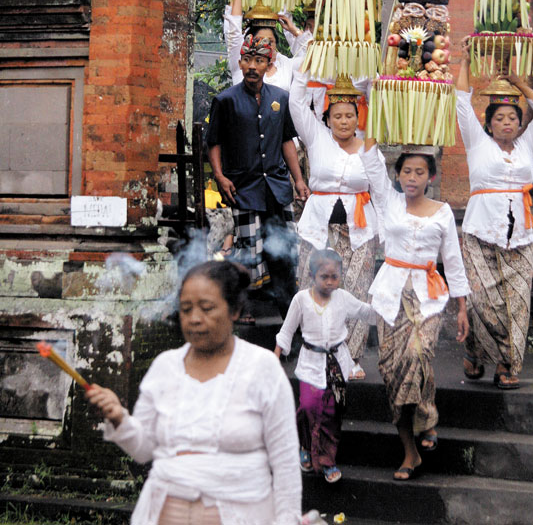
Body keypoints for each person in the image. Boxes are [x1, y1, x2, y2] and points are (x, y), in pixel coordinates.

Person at [85, 259, 302, 525]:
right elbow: (143, 450)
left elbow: (286, 462)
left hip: (243, 514)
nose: (195, 319)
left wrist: (287, 520)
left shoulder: (262, 368)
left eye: (207, 308)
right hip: (166, 511)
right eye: (186, 309)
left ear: (234, 310)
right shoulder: (165, 367)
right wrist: (119, 418)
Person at [361, 139, 470, 481]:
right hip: (390, 294)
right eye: (406, 171)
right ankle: (410, 452)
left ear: (431, 177)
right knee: (392, 373)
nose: (412, 177)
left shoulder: (442, 212)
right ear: (397, 175)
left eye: (419, 172)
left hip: (428, 296)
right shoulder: (388, 200)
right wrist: (376, 109)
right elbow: (369, 159)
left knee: (417, 354)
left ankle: (427, 416)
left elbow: (452, 260)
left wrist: (462, 307)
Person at [456, 35, 533, 389]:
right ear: (490, 123)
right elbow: (461, 103)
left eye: (513, 117)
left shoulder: (527, 145)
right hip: (480, 233)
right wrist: (466, 62)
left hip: (521, 236)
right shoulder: (477, 144)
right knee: (485, 302)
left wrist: (518, 83)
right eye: (501, 118)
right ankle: (475, 349)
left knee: (518, 306)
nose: (508, 123)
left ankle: (507, 365)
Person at [206, 36, 309, 318]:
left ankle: (289, 314)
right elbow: (212, 142)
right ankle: (244, 308)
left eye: (259, 61)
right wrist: (220, 175)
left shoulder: (280, 98)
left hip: (276, 186)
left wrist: (298, 180)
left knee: (285, 250)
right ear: (240, 62)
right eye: (247, 60)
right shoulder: (225, 100)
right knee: (248, 251)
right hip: (244, 188)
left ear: (268, 63)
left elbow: (288, 140)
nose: (252, 66)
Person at [289, 70, 381, 379]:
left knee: (355, 291)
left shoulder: (370, 145)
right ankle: (317, 354)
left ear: (358, 118)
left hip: (359, 230)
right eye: (337, 116)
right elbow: (296, 101)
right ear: (327, 119)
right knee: (312, 290)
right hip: (319, 228)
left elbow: (380, 188)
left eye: (349, 116)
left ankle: (350, 357)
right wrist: (305, 56)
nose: (343, 121)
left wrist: (365, 68)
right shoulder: (316, 137)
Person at [274, 248, 376, 484]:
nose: (330, 282)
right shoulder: (301, 300)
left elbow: (366, 312)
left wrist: (384, 304)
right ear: (312, 275)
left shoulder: (342, 297)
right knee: (308, 407)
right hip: (311, 364)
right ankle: (306, 446)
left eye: (334, 277)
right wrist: (275, 357)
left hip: (337, 365)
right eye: (324, 277)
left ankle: (327, 462)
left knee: (331, 415)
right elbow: (286, 331)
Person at [224, 0, 310, 90]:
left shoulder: (285, 64)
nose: (265, 45)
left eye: (270, 41)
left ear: (276, 44)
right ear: (249, 43)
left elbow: (314, 58)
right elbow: (233, 33)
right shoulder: (243, 63)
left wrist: (294, 31)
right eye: (259, 40)